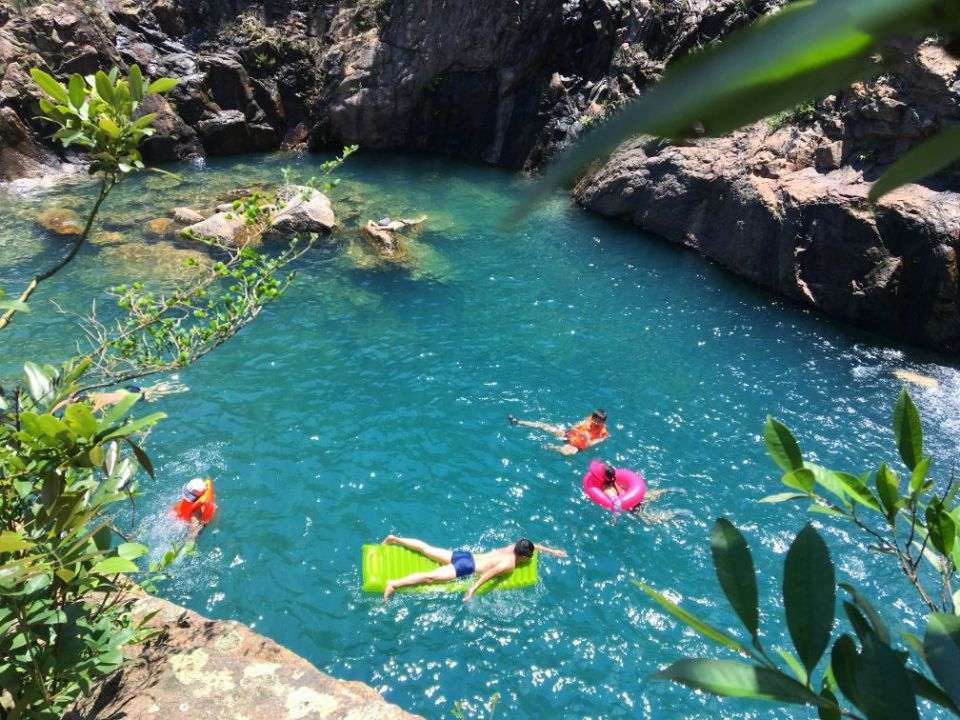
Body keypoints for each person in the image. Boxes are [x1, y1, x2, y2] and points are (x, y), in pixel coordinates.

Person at [380, 534, 567, 602]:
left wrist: (552, 551)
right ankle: (394, 584)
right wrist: (473, 589)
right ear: (523, 556)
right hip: (466, 567)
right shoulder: (509, 564)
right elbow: (490, 574)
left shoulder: (514, 546)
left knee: (426, 548)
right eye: (529, 557)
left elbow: (533, 544)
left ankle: (393, 539)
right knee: (430, 577)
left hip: (465, 555)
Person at [507, 408, 610, 455]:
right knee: (543, 426)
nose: (595, 422)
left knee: (568, 452)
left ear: (603, 422)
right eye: (594, 419)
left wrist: (587, 436)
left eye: (599, 421)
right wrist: (570, 430)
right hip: (569, 435)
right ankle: (517, 422)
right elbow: (578, 425)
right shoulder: (590, 419)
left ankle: (551, 447)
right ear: (592, 417)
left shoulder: (603, 434)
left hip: (576, 446)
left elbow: (589, 445)